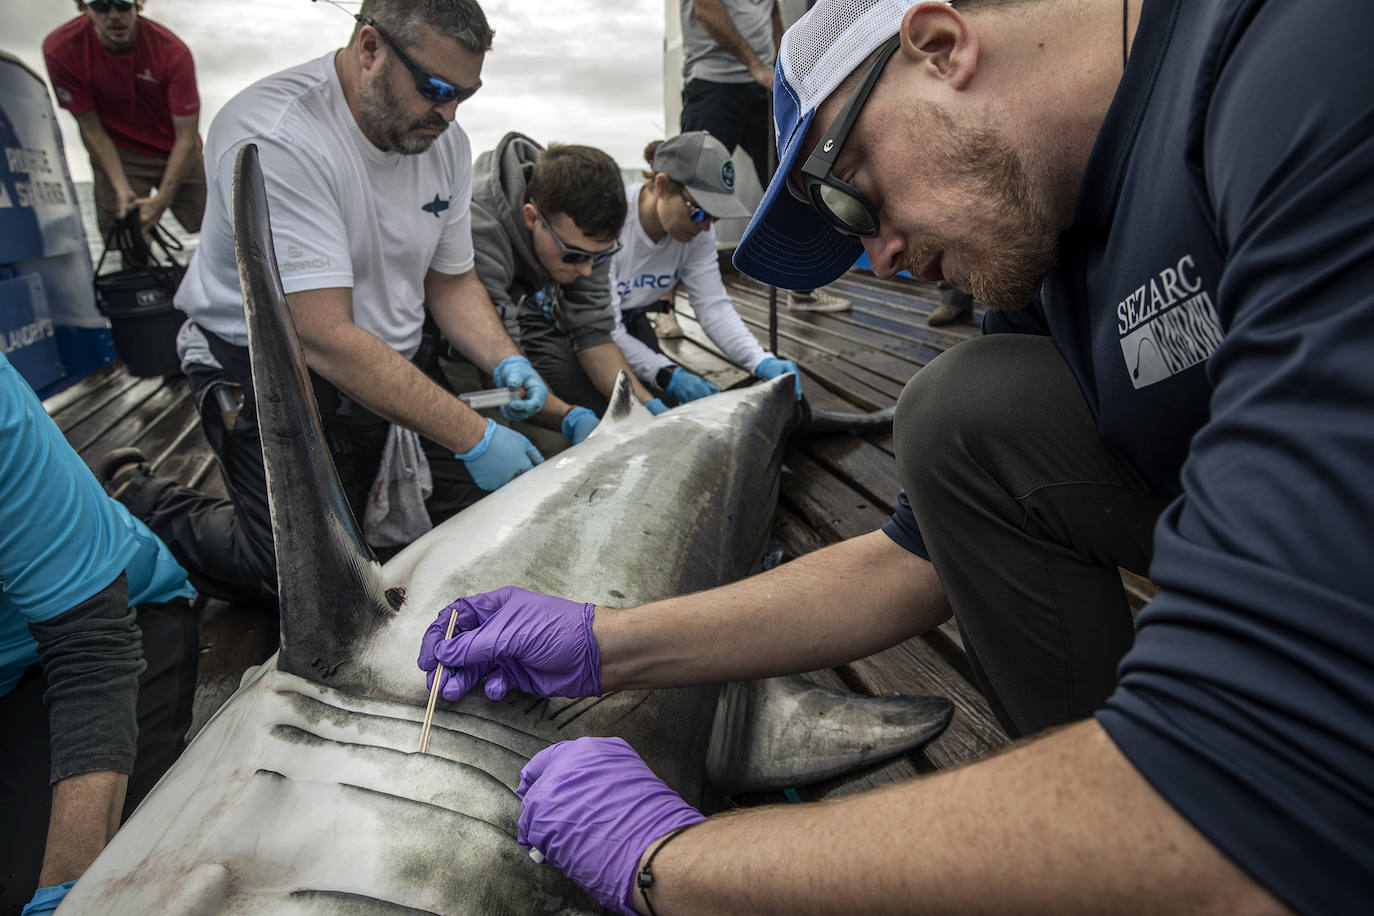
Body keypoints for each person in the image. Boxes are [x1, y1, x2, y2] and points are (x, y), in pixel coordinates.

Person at [416, 0, 1374, 913]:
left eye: (851, 196)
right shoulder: (1041, 241)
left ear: (939, 45)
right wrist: (605, 643)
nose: (875, 257)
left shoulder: (1298, 60)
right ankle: (1092, 804)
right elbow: (912, 562)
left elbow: (1267, 782)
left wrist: (674, 864)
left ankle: (1141, 823)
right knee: (961, 411)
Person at [105, 0, 548, 608]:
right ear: (370, 48)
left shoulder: (443, 141)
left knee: (476, 526)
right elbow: (320, 334)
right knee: (294, 581)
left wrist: (504, 360)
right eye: (437, 89)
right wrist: (475, 436)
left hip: (382, 364)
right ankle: (140, 495)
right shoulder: (275, 134)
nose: (448, 115)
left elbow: (451, 282)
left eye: (464, 96)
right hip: (267, 366)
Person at [0, 351, 197, 916]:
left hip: (106, 628)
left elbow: (90, 652)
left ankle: (145, 492)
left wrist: (68, 890)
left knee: (24, 885)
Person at [469, 131, 665, 438]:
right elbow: (493, 360)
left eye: (599, 258)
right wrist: (568, 417)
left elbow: (593, 332)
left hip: (518, 304)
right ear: (532, 217)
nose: (587, 270)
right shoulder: (480, 228)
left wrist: (648, 407)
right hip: (447, 335)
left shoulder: (587, 243)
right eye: (575, 256)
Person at [679, 0, 848, 315]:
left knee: (791, 182)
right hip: (714, 84)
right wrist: (755, 65)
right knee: (691, 194)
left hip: (762, 85)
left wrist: (784, 64)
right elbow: (706, 9)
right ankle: (664, 305)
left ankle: (801, 289)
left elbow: (771, 14)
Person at [610, 131, 800, 404]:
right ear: (662, 186)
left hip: (631, 320)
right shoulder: (613, 220)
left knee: (667, 402)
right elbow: (604, 329)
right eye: (698, 211)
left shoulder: (698, 232)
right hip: (581, 327)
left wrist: (759, 360)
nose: (705, 226)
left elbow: (712, 306)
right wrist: (666, 374)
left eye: (715, 215)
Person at [43, 1, 207, 238]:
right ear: (84, 7)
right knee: (125, 236)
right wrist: (121, 189)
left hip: (176, 148)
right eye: (101, 6)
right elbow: (90, 128)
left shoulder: (171, 51)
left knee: (217, 226)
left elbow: (186, 136)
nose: (114, 16)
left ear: (137, 5)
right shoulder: (61, 50)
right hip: (118, 151)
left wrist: (161, 200)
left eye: (123, 6)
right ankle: (143, 263)